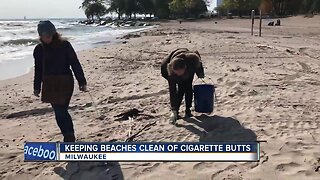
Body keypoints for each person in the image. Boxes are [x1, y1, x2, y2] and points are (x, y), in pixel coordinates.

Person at [33, 21, 87, 142]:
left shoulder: (65, 45)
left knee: (61, 110)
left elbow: (75, 64)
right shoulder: (38, 49)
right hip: (49, 84)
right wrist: (37, 87)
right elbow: (38, 69)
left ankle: (69, 136)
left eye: (47, 35)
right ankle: (67, 135)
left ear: (53, 34)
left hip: (65, 82)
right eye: (42, 36)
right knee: (58, 112)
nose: (45, 38)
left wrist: (82, 81)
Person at [161, 48, 205, 124]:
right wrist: (173, 110)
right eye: (177, 73)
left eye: (180, 72)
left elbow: (198, 62)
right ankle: (176, 112)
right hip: (170, 70)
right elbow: (172, 90)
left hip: (188, 69)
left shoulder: (192, 61)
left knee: (188, 88)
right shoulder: (168, 70)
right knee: (180, 90)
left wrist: (200, 73)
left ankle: (188, 110)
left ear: (185, 67)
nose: (179, 74)